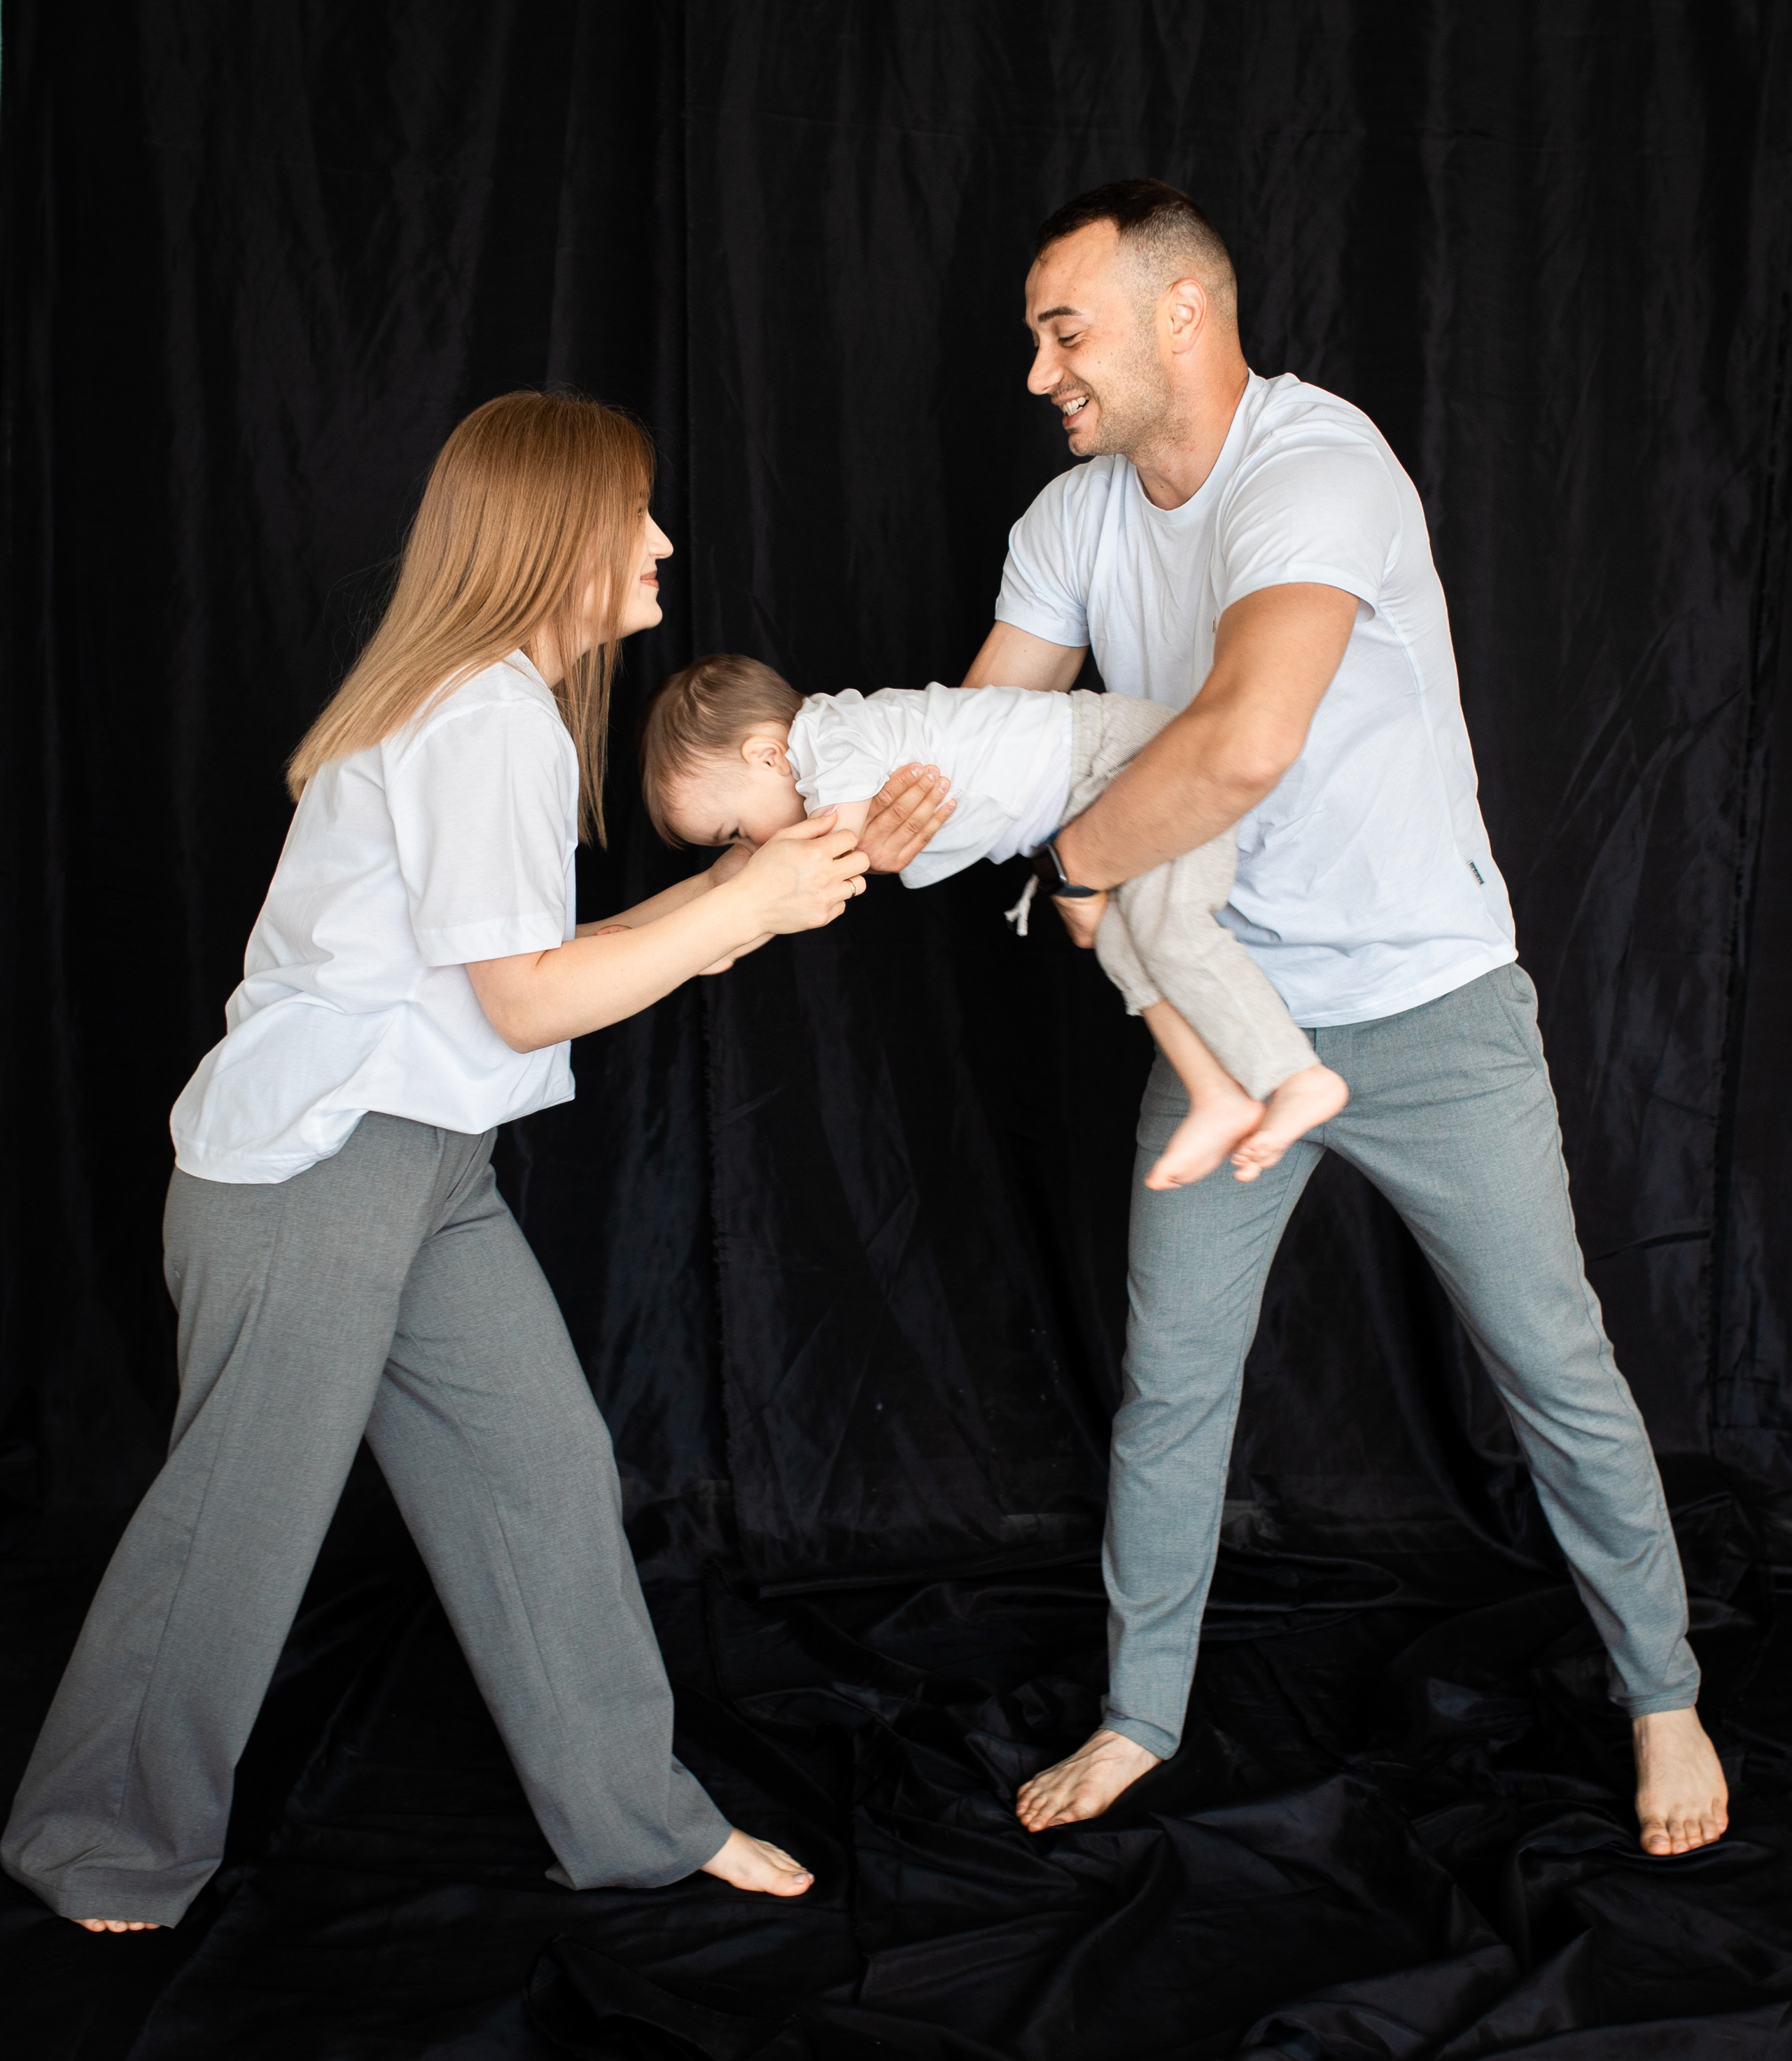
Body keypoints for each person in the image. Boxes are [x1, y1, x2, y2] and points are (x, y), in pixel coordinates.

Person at [1, 391, 951, 1934]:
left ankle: (636, 1819)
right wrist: (746, 905)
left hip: (424, 1168)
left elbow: (523, 962)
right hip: (318, 1172)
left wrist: (773, 876)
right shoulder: (484, 715)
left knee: (540, 1473)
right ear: (552, 535)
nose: (658, 540)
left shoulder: (488, 704)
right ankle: (99, 1838)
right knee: (237, 1517)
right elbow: (526, 998)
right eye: (632, 513)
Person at [958, 181, 1728, 1858]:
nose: (1037, 372)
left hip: (1424, 996)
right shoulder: (1069, 523)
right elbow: (976, 748)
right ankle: (1137, 1714)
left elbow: (1243, 738)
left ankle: (1659, 1692)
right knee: (1169, 1385)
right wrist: (824, 799)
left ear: (1180, 317)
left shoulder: (1314, 464)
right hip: (1228, 1015)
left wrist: (1077, 872)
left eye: (1061, 329)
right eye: (1034, 337)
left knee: (1552, 1363)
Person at [639, 655, 1348, 1187]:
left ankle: (1296, 1077)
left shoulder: (828, 740)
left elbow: (825, 867)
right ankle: (1217, 1091)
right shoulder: (827, 744)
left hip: (1127, 757)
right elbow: (778, 879)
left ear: (765, 754)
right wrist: (708, 923)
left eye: (735, 826)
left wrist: (729, 933)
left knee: (1169, 929)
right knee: (1126, 940)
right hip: (1091, 792)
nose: (750, 846)